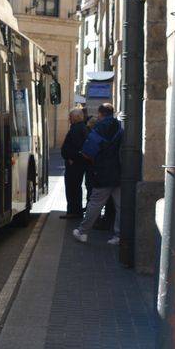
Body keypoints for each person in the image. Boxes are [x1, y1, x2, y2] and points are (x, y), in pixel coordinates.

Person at [73, 103, 123, 245]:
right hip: (119, 171)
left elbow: (88, 151)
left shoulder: (100, 128)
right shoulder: (120, 126)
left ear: (100, 114)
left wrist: (95, 160)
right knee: (121, 206)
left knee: (95, 203)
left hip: (103, 172)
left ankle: (82, 232)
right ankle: (119, 235)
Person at [60, 108, 88, 219]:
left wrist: (71, 157)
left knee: (72, 188)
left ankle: (74, 211)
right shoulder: (80, 127)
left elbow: (77, 147)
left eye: (70, 117)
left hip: (74, 164)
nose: (69, 119)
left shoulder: (77, 129)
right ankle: (75, 211)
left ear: (76, 117)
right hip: (76, 163)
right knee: (75, 187)